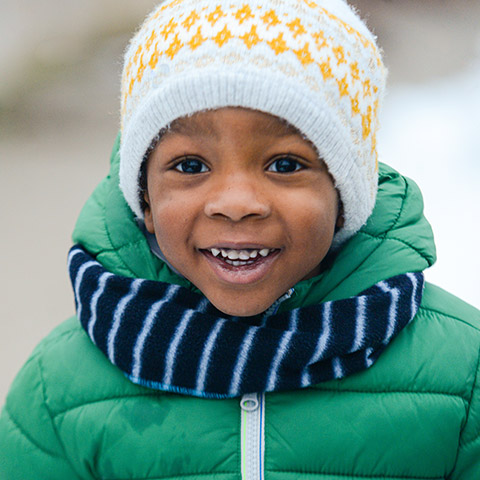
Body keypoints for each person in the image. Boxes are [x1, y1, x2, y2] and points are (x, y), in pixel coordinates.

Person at [1, 0, 479, 478]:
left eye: (285, 164)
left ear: (346, 193)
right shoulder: (57, 391)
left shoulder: (462, 375)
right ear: (144, 199)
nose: (236, 202)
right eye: (191, 166)